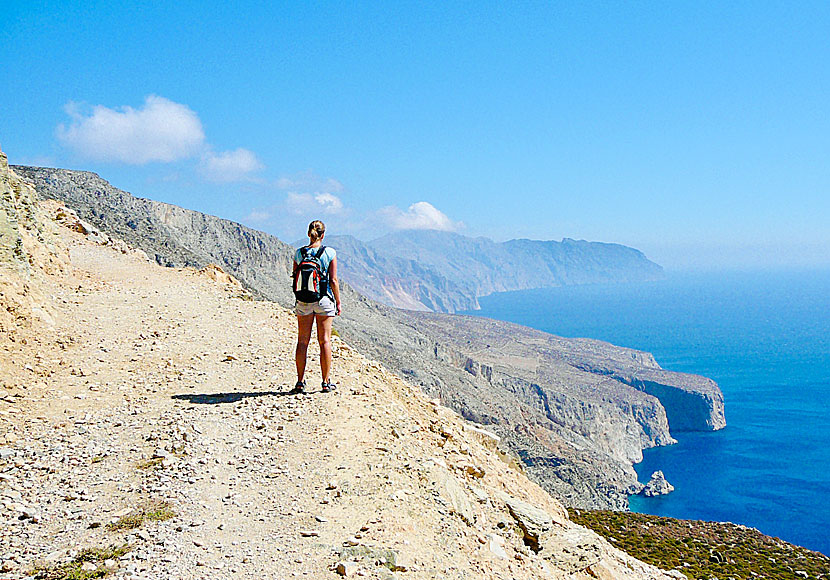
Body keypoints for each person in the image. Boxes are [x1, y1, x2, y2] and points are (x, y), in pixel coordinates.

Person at [292, 220, 341, 393]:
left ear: (308, 234)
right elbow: (333, 280)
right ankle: (326, 382)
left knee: (302, 341)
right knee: (325, 341)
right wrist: (338, 302)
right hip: (324, 300)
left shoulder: (299, 253)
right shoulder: (329, 252)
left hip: (304, 301)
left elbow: (295, 278)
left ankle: (299, 382)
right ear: (323, 234)